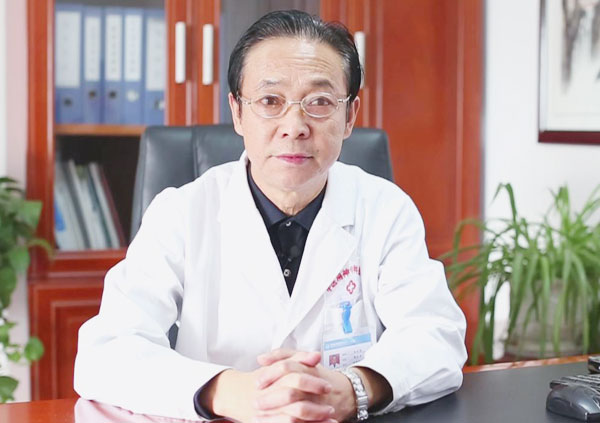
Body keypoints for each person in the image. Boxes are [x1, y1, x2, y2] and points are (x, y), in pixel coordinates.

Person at [74, 10, 467, 423]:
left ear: (349, 116)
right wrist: (228, 392)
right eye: (269, 101)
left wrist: (353, 388)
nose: (294, 126)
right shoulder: (181, 213)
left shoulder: (385, 209)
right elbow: (108, 351)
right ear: (237, 113)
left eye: (319, 102)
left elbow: (435, 335)